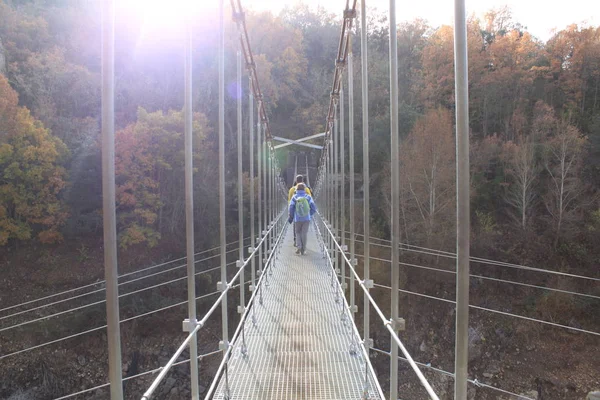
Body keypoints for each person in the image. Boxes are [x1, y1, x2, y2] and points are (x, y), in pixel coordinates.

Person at [288, 183, 317, 255]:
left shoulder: (294, 197)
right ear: (304, 189)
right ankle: (303, 249)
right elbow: (314, 208)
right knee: (304, 233)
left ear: (296, 189)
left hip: (297, 218)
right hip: (306, 218)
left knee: (297, 233)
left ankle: (299, 246)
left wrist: (291, 216)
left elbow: (291, 207)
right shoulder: (308, 197)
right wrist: (309, 214)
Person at [288, 175, 312, 247]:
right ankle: (303, 245)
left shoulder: (291, 190)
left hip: (296, 214)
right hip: (306, 213)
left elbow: (289, 202)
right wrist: (310, 213)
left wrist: (290, 214)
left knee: (296, 229)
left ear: (296, 180)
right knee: (304, 231)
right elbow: (310, 201)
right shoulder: (307, 190)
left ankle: (296, 242)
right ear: (302, 180)